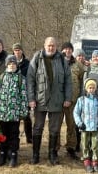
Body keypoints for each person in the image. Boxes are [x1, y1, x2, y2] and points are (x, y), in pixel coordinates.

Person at [27, 37, 72, 165]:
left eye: (53, 45)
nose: (51, 48)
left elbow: (68, 81)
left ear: (56, 46)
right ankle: (35, 155)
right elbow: (30, 80)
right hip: (40, 100)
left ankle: (52, 154)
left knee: (54, 129)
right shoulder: (37, 58)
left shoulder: (62, 60)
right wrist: (31, 98)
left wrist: (68, 98)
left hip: (57, 100)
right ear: (44, 45)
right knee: (37, 128)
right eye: (49, 45)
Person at [0, 55, 28, 167]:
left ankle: (13, 154)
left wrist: (23, 111)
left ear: (16, 65)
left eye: (14, 63)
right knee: (2, 134)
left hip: (14, 113)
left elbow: (24, 96)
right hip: (2, 113)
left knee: (13, 134)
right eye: (10, 63)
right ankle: (3, 153)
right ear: (6, 65)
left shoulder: (21, 79)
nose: (12, 65)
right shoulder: (1, 77)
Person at [59, 42, 85, 159]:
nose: (67, 51)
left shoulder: (78, 65)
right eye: (65, 49)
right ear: (62, 50)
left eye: (70, 49)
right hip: (58, 100)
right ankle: (54, 148)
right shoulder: (57, 62)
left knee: (72, 125)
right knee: (56, 125)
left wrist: (80, 97)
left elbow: (81, 81)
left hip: (73, 100)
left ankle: (71, 148)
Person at [74, 78, 98, 173]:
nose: (91, 89)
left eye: (93, 88)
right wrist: (80, 123)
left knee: (96, 145)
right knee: (85, 145)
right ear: (86, 88)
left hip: (95, 127)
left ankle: (95, 162)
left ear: (95, 89)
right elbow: (76, 113)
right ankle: (87, 162)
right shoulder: (81, 100)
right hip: (85, 128)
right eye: (89, 87)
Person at [12, 43, 32, 144]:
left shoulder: (28, 63)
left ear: (22, 51)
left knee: (26, 116)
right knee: (15, 117)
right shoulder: (10, 63)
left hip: (25, 92)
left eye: (19, 50)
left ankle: (29, 137)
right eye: (15, 50)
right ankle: (15, 138)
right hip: (14, 93)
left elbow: (31, 78)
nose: (17, 52)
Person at [73, 48, 89, 153]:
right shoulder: (73, 66)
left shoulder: (87, 67)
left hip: (85, 98)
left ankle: (85, 145)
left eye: (82, 56)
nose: (80, 57)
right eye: (79, 56)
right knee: (76, 123)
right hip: (75, 98)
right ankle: (76, 144)